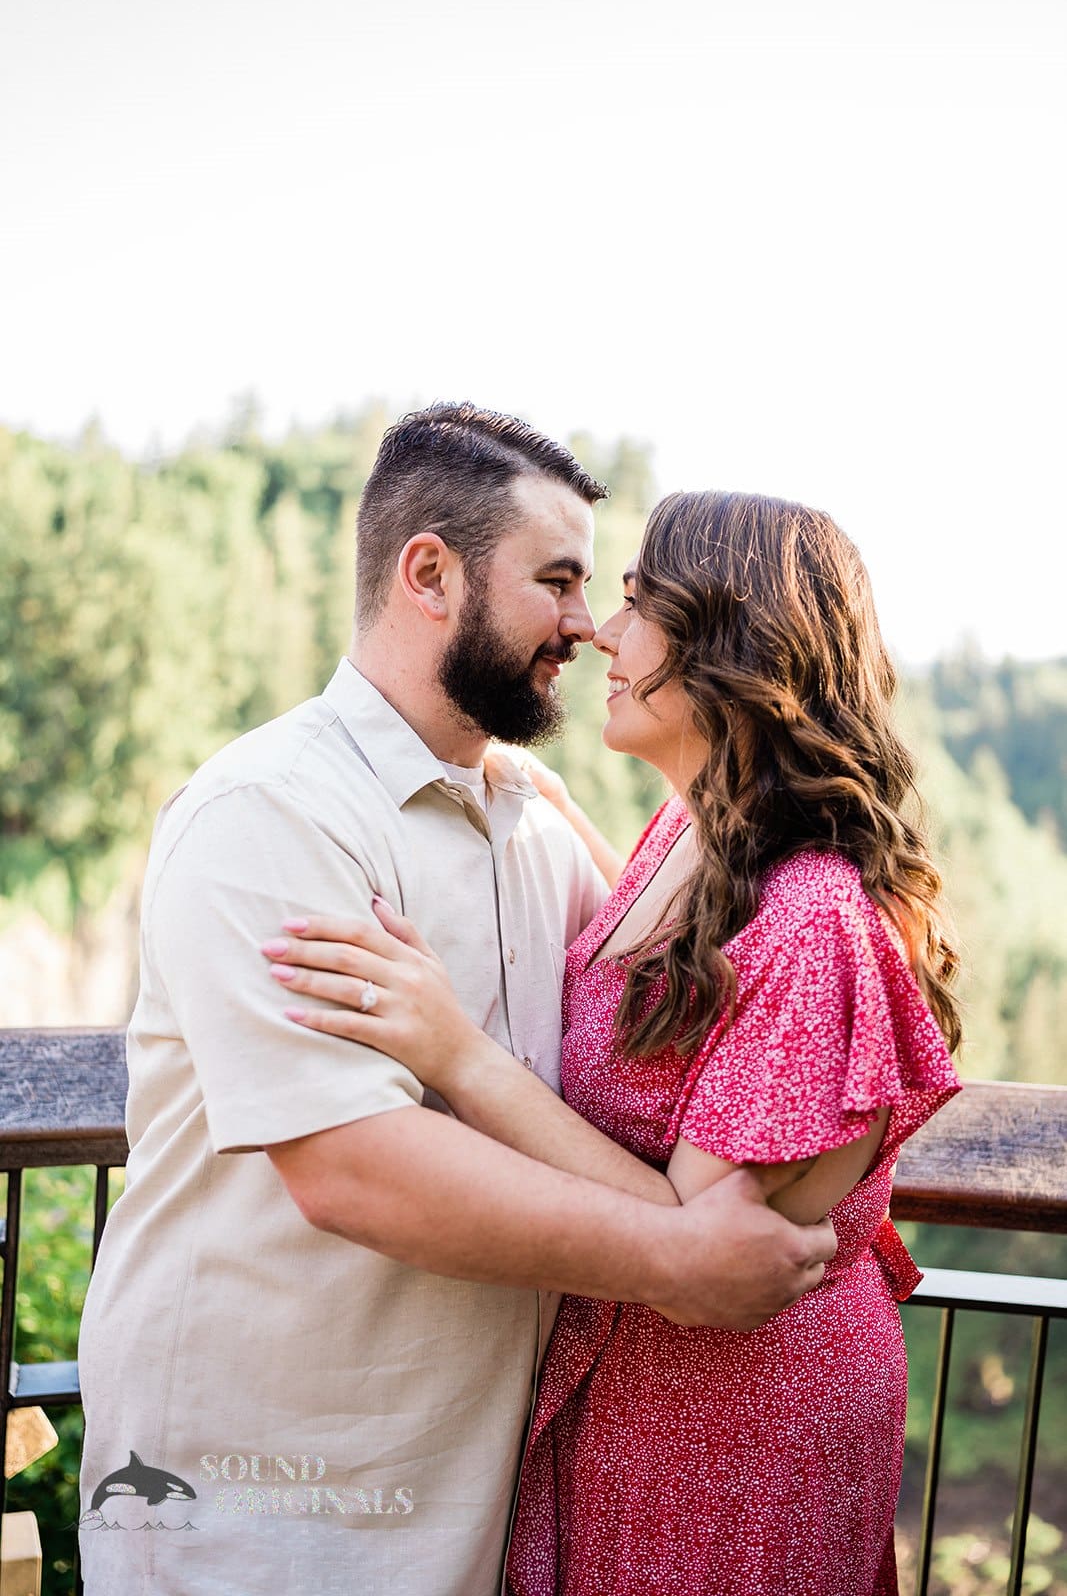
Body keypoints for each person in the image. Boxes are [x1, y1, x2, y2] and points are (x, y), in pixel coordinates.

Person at [77, 413, 836, 1596]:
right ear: (428, 573)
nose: (586, 627)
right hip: (263, 1513)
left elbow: (688, 1007)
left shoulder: (532, 823)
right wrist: (677, 1259)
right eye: (557, 582)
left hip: (468, 1510)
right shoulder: (272, 814)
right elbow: (350, 1166)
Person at [262, 488, 963, 1596]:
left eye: (635, 603)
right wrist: (530, 791)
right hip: (650, 1392)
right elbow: (629, 986)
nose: (598, 631)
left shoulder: (813, 919)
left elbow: (700, 1236)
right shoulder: (684, 839)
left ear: (732, 646)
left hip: (737, 1431)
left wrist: (455, 1053)